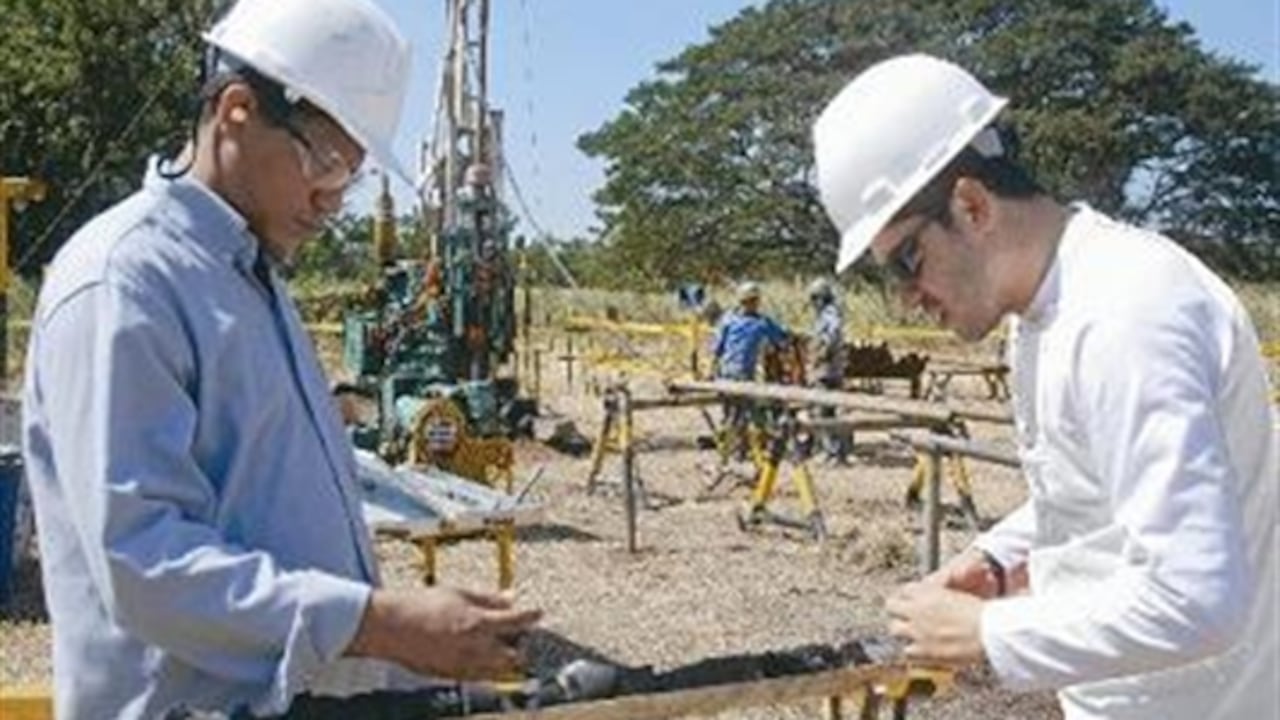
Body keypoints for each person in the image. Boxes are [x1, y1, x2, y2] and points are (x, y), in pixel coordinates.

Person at [21, 1, 540, 718]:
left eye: (350, 176)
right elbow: (144, 563)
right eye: (324, 163)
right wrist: (382, 623)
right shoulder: (125, 282)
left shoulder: (251, 280)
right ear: (236, 109)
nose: (332, 199)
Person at [812, 53, 1277, 719]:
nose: (908, 299)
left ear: (972, 205)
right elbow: (1103, 493)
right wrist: (999, 560)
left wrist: (984, 633)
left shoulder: (1124, 314)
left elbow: (1199, 599)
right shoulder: (1049, 309)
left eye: (907, 261)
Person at [710, 282, 789, 459]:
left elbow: (716, 347)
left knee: (733, 412)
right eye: (752, 301)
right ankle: (737, 448)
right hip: (737, 375)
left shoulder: (728, 319)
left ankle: (733, 448)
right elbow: (781, 339)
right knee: (742, 412)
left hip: (727, 373)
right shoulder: (760, 323)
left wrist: (712, 370)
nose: (754, 304)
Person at [805, 277, 850, 463]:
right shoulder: (829, 314)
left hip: (827, 369)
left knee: (823, 410)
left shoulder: (830, 315)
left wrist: (822, 352)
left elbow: (832, 334)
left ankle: (832, 451)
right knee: (828, 410)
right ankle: (832, 449)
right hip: (831, 369)